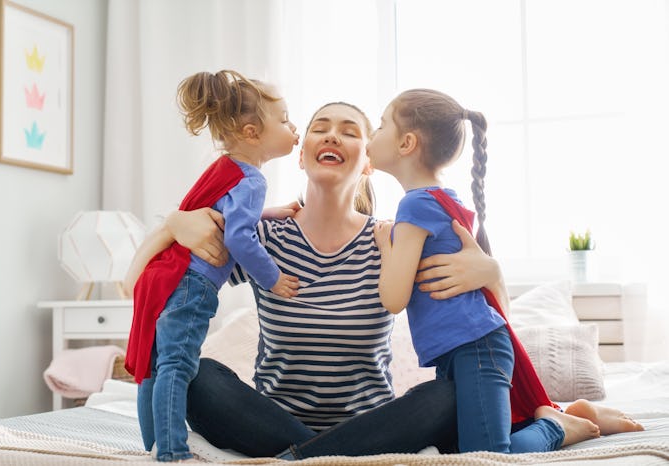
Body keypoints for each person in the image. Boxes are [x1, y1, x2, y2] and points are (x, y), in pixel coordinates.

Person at [125, 101, 640, 460]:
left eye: (349, 129)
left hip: (381, 426)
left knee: (449, 393)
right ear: (302, 152)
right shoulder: (261, 235)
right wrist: (173, 222)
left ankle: (299, 460)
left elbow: (485, 328)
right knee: (194, 371)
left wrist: (495, 272)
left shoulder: (395, 241)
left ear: (367, 160)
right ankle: (316, 456)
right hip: (268, 422)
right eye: (320, 127)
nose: (332, 135)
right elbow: (156, 285)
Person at [366, 88, 606, 454]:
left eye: (381, 125)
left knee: (488, 456)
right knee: (458, 449)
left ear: (407, 143)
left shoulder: (413, 206)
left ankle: (554, 427)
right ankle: (560, 419)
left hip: (474, 348)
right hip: (468, 348)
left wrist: (386, 245)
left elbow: (394, 298)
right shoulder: (442, 198)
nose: (373, 134)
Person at [124, 69, 300, 462]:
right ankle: (172, 452)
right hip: (193, 282)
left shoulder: (225, 169)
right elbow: (238, 237)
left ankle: (152, 445)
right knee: (177, 363)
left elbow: (226, 214)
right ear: (253, 132)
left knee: (155, 365)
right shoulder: (253, 180)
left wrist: (269, 214)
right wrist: (272, 278)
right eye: (286, 119)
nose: (295, 127)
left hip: (164, 277)